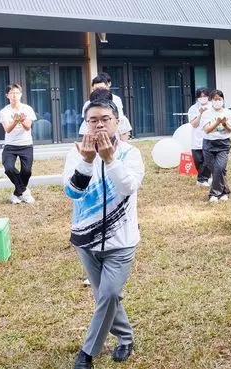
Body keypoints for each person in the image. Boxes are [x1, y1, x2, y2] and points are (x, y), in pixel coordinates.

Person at [63, 99, 144, 368]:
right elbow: (72, 192)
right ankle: (125, 336)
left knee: (108, 295)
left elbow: (129, 186)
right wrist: (86, 162)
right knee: (105, 296)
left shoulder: (130, 153)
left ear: (117, 122)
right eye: (93, 120)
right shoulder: (76, 153)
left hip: (121, 241)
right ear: (85, 123)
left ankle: (87, 352)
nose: (99, 125)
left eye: (105, 119)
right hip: (86, 240)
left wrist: (109, 159)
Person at [0, 83, 37, 204]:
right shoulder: (4, 111)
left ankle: (16, 194)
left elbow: (28, 127)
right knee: (9, 168)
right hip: (10, 146)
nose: (14, 95)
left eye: (17, 93)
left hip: (26, 145)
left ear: (21, 94)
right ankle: (24, 192)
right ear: (7, 95)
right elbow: (7, 129)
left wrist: (22, 120)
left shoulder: (27, 109)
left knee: (27, 171)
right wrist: (15, 121)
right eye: (11, 93)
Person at [201, 89, 231, 203]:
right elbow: (207, 130)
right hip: (209, 144)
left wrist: (224, 123)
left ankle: (214, 194)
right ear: (211, 100)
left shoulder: (229, 113)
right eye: (215, 99)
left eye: (219, 99)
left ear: (223, 100)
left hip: (223, 144)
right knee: (216, 170)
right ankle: (224, 191)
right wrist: (217, 123)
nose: (217, 101)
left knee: (220, 168)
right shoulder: (207, 113)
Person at [78, 73, 132, 141]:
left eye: (101, 88)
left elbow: (122, 123)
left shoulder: (116, 100)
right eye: (96, 89)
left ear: (108, 85)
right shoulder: (88, 104)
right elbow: (86, 126)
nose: (99, 91)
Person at [189, 88, 212, 186]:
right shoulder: (193, 108)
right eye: (200, 96)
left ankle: (202, 179)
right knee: (198, 160)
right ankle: (204, 177)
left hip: (210, 137)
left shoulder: (212, 106)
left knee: (207, 159)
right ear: (197, 97)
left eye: (205, 96)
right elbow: (194, 124)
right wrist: (200, 113)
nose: (203, 98)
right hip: (197, 138)